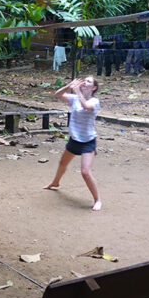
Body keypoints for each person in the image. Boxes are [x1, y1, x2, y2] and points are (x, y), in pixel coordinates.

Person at [44, 76, 102, 211]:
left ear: (94, 87)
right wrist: (68, 86)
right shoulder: (75, 98)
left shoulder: (95, 101)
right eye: (84, 80)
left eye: (88, 81)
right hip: (74, 139)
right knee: (62, 163)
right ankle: (55, 182)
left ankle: (97, 199)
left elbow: (86, 106)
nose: (85, 83)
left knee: (85, 172)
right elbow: (57, 94)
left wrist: (77, 92)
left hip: (88, 140)